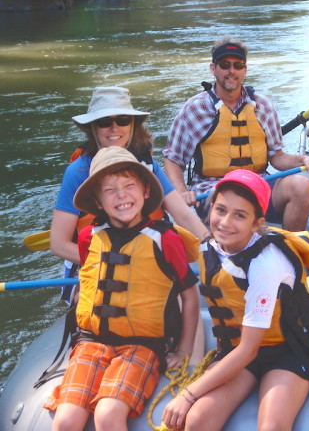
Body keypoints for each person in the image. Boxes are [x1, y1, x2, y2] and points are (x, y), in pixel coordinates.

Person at [161, 169, 309, 431]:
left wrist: (189, 393)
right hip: (237, 351)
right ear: (210, 210)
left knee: (272, 427)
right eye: (220, 210)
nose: (225, 222)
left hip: (286, 351)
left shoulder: (265, 264)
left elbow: (249, 349)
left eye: (240, 215)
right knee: (196, 420)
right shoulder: (209, 248)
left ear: (257, 224)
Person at [43, 146, 200, 431]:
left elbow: (190, 296)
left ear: (146, 192)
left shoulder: (165, 239)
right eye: (110, 190)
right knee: (65, 421)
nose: (122, 195)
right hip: (91, 342)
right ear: (98, 202)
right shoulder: (90, 237)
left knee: (107, 415)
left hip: (142, 346)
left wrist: (183, 350)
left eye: (129, 186)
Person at [51, 86, 209, 302]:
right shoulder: (78, 172)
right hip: (96, 261)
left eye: (123, 120)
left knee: (175, 298)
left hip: (145, 254)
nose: (114, 128)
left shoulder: (147, 166)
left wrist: (213, 245)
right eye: (104, 122)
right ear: (93, 128)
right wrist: (117, 260)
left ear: (132, 124)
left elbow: (183, 215)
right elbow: (58, 244)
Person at [162, 37, 309, 232]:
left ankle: (291, 249)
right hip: (213, 190)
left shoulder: (262, 105)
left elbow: (277, 157)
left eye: (238, 65)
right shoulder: (195, 109)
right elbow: (173, 159)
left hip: (258, 184)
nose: (231, 71)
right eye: (225, 65)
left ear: (245, 70)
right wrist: (181, 192)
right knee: (231, 200)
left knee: (301, 185)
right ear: (213, 68)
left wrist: (303, 160)